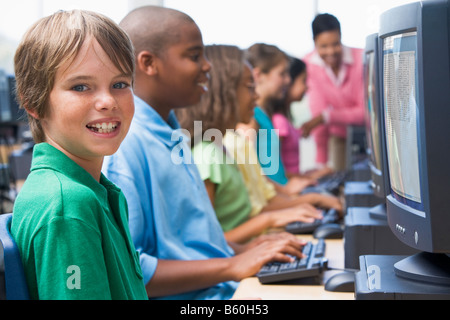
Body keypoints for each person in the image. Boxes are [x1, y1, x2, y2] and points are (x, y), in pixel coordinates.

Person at [102, 6, 305, 300]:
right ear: (148, 63)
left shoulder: (172, 136)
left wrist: (246, 251)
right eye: (194, 56)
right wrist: (231, 265)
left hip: (222, 289)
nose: (207, 67)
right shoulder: (126, 147)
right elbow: (132, 270)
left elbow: (192, 243)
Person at [10, 10, 148, 300]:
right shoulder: (68, 205)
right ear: (33, 101)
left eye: (120, 84)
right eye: (81, 87)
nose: (108, 101)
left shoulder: (92, 189)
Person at [176, 44, 323, 244]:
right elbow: (207, 242)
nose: (255, 96)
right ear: (225, 93)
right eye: (248, 87)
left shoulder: (223, 147)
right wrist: (268, 221)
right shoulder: (207, 155)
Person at [241, 43, 316, 195]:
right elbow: (250, 176)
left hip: (282, 194)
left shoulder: (263, 115)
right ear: (259, 76)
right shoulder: (251, 119)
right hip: (278, 196)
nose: (288, 80)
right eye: (282, 74)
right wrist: (286, 191)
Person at [301, 13, 365, 171]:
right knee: (338, 177)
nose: (330, 52)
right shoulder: (309, 65)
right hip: (337, 135)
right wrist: (321, 164)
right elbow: (318, 116)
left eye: (335, 44)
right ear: (314, 43)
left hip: (365, 133)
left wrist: (326, 117)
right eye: (323, 46)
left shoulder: (361, 59)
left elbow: (364, 113)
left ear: (341, 37)